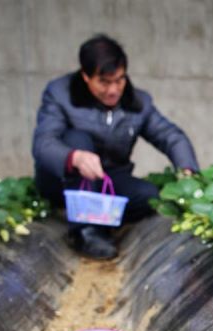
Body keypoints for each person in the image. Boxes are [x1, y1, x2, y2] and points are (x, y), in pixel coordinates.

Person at [33, 34, 199, 259]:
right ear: (86, 76)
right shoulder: (60, 95)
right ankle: (85, 231)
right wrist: (75, 158)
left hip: (107, 179)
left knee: (150, 196)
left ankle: (101, 225)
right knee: (77, 139)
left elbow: (170, 136)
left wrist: (187, 170)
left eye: (119, 80)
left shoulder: (138, 102)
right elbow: (43, 143)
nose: (113, 90)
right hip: (65, 183)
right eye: (104, 82)